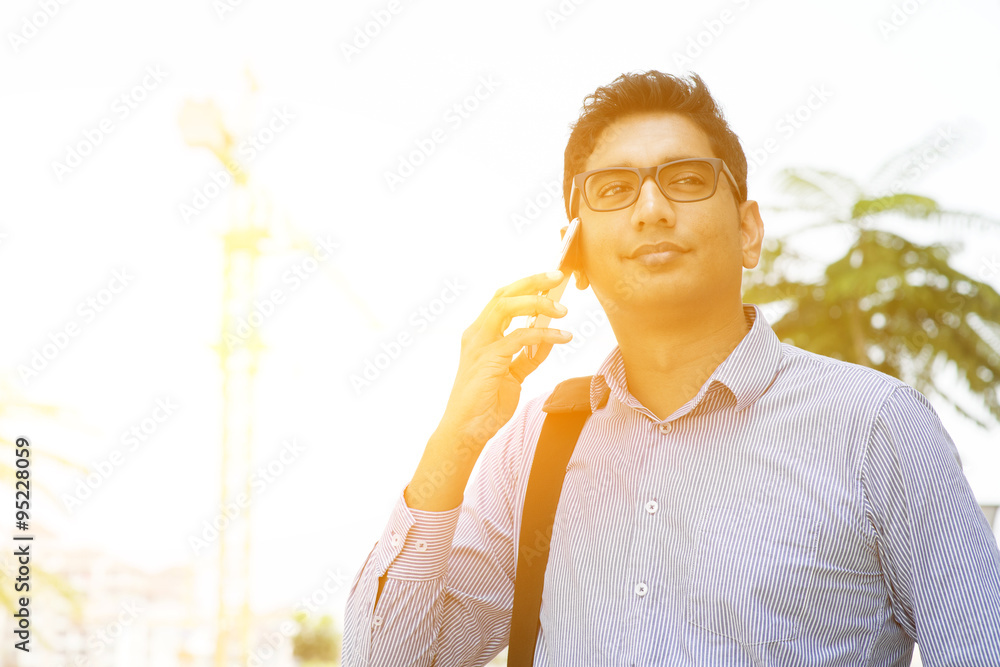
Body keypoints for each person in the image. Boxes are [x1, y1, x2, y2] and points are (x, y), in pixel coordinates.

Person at [342, 70, 1000, 666]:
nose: (651, 209)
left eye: (685, 179)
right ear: (575, 249)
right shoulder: (532, 448)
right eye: (614, 188)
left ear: (748, 231)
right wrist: (453, 443)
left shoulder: (876, 426)